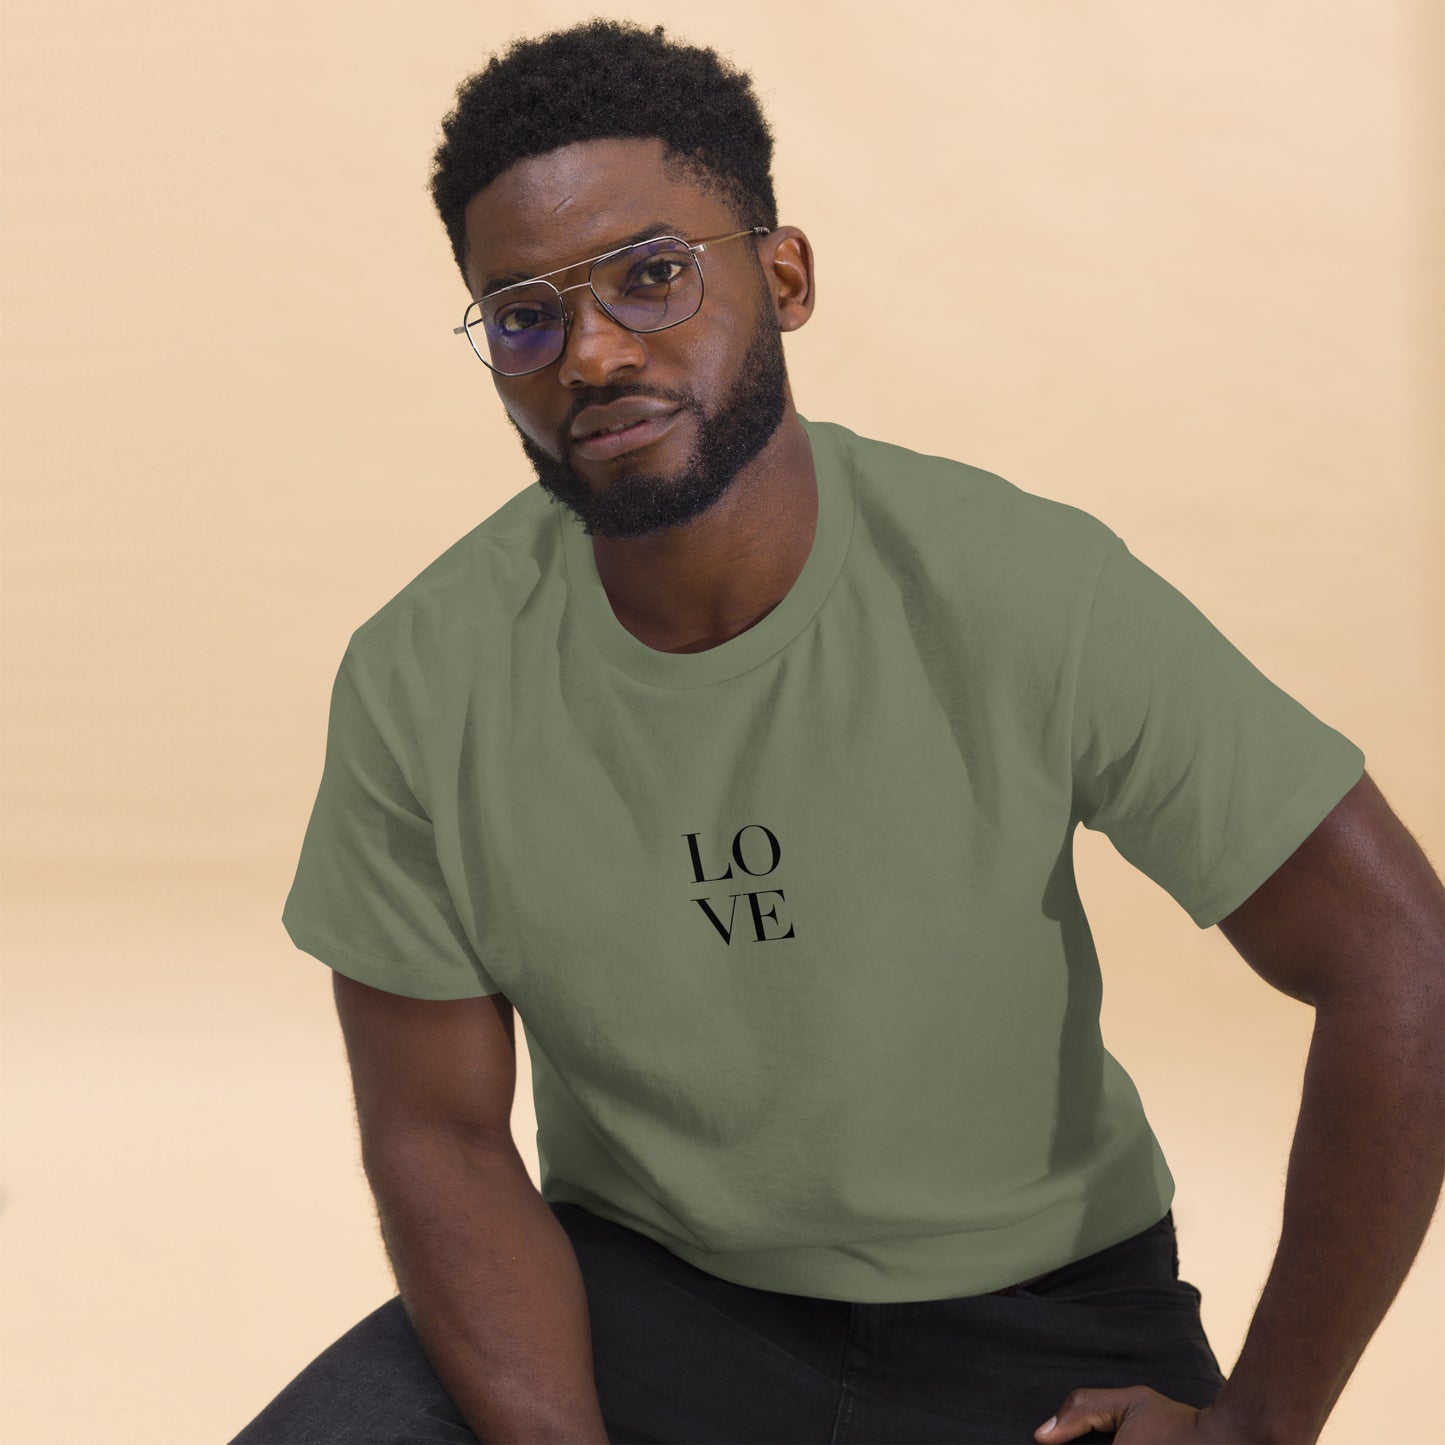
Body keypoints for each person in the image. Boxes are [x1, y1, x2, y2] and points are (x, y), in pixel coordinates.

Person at [230, 19, 1445, 1445]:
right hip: (643, 1300)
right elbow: (435, 1132)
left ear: (783, 276)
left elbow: (1399, 958)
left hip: (1035, 1325)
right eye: (524, 316)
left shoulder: (1021, 585)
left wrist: (1259, 1423)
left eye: (652, 274)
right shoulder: (419, 675)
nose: (594, 351)